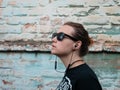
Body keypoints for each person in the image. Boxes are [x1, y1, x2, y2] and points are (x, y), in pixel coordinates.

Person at [51, 21, 102, 90]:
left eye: (61, 36)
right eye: (55, 35)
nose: (53, 39)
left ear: (76, 45)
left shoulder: (86, 78)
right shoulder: (72, 71)